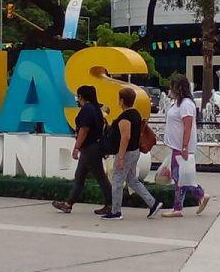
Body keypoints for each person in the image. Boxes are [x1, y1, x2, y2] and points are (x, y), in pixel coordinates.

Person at [53, 85, 111, 215]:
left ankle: (111, 203)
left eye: (78, 96)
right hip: (93, 147)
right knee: (80, 176)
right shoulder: (96, 109)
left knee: (100, 176)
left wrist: (76, 147)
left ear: (81, 96)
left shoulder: (87, 109)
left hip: (90, 148)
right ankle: (68, 203)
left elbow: (84, 130)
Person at [107, 87, 159, 220]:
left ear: (122, 100)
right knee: (132, 180)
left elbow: (126, 137)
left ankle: (116, 211)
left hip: (127, 153)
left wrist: (120, 157)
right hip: (135, 151)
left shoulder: (125, 117)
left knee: (117, 180)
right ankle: (153, 203)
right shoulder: (135, 113)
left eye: (119, 98)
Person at [162, 74, 210, 218]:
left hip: (181, 147)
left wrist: (184, 147)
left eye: (172, 87)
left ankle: (200, 194)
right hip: (176, 146)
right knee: (179, 178)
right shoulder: (177, 103)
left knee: (180, 176)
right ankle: (178, 208)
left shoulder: (186, 105)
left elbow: (187, 127)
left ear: (178, 88)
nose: (169, 89)